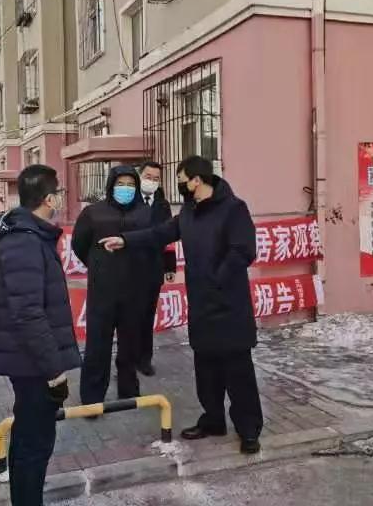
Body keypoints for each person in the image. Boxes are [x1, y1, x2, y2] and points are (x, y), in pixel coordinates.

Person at [100, 156, 264, 454]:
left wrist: (216, 279)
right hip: (201, 305)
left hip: (229, 306)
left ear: (197, 181)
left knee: (238, 372)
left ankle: (249, 429)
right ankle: (213, 420)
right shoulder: (189, 212)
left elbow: (243, 251)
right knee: (206, 370)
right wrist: (125, 240)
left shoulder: (233, 209)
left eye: (182, 180)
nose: (179, 186)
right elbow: (160, 233)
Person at [0, 165, 81, 505]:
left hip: (30, 357)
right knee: (33, 443)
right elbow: (28, 313)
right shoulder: (24, 241)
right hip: (31, 362)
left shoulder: (29, 234)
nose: (61, 199)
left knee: (31, 437)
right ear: (49, 199)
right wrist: (54, 371)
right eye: (59, 193)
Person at [72, 165, 156, 405]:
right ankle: (92, 398)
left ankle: (128, 392)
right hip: (103, 291)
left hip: (135, 290)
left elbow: (153, 244)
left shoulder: (145, 214)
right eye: (121, 184)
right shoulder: (93, 213)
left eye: (131, 185)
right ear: (111, 185)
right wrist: (97, 264)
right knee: (97, 346)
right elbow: (79, 244)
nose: (126, 189)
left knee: (130, 344)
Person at [136, 161, 178, 377]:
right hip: (129, 268)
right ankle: (126, 360)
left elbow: (169, 237)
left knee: (147, 315)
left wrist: (170, 266)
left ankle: (144, 359)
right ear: (139, 176)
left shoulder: (162, 205)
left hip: (153, 268)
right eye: (148, 176)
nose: (151, 181)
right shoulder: (128, 200)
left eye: (155, 178)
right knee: (128, 317)